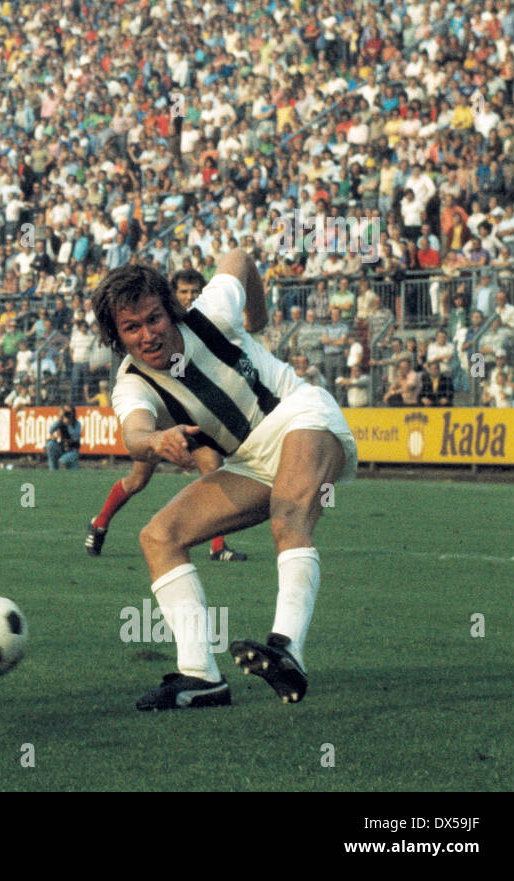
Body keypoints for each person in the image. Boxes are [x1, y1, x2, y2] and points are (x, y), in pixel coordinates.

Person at [93, 249, 356, 710]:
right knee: (159, 537)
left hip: (301, 415)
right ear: (117, 337)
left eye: (154, 318)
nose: (148, 334)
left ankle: (287, 648)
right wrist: (155, 442)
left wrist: (257, 314)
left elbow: (239, 258)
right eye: (131, 328)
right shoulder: (132, 381)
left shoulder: (211, 313)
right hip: (251, 460)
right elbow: (133, 432)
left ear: (169, 309)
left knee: (288, 516)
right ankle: (201, 676)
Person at [85, 269, 249, 562]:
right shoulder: (140, 355)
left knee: (214, 469)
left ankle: (217, 546)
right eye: (184, 292)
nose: (189, 298)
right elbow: (134, 421)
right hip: (157, 421)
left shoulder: (203, 323)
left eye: (194, 292)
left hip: (191, 420)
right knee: (137, 480)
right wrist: (153, 435)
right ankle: (99, 523)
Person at [46, 404, 81, 469]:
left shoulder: (76, 424)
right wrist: (60, 419)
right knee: (50, 445)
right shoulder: (61, 422)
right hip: (62, 448)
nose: (67, 414)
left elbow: (75, 437)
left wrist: (69, 425)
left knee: (62, 461)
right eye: (65, 412)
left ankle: (73, 468)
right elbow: (51, 430)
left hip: (72, 450)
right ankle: (52, 471)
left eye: (69, 412)